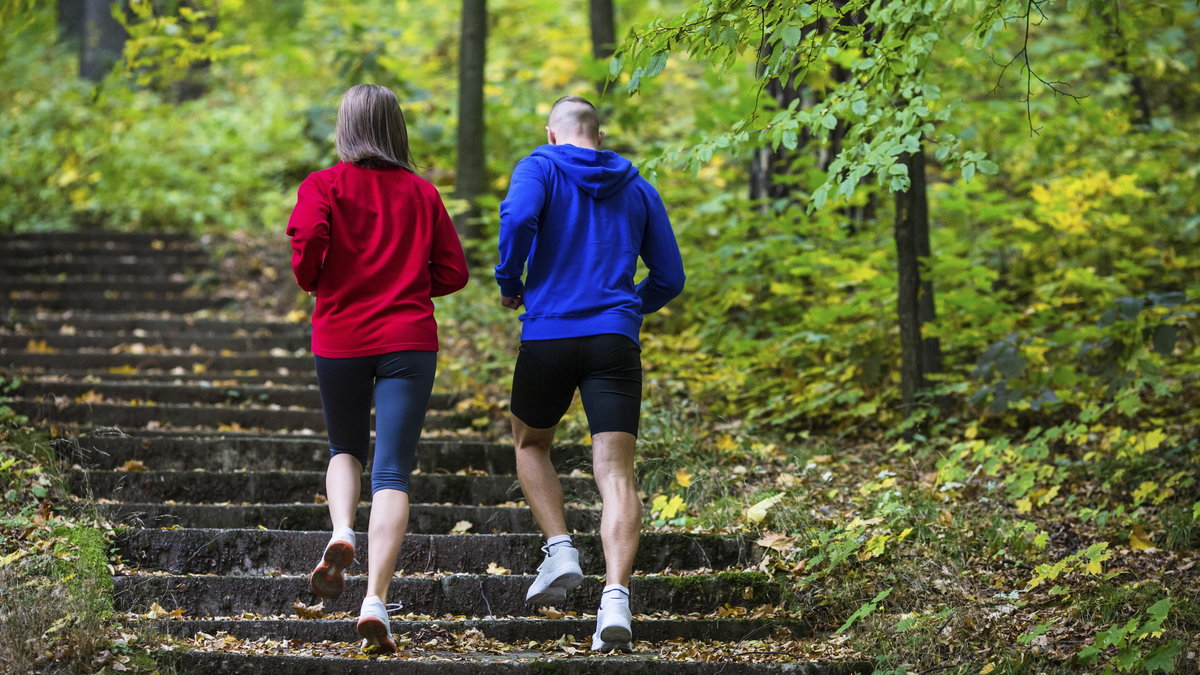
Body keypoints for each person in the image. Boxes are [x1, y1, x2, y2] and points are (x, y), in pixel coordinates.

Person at [494, 95, 685, 653]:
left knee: (530, 443)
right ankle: (616, 601)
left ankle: (560, 549)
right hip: (614, 342)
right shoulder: (637, 185)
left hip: (549, 333)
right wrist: (626, 307)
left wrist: (511, 280)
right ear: (597, 136)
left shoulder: (539, 166)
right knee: (616, 473)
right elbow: (669, 277)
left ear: (552, 133)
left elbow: (520, 216)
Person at [286, 84, 469, 654]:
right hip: (408, 339)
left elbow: (309, 238)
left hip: (340, 334)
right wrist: (413, 287)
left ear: (345, 127)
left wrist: (317, 277)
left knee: (344, 448)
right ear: (396, 129)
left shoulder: (322, 185)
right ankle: (375, 601)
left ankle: (341, 530)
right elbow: (455, 272)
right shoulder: (422, 192)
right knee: (392, 473)